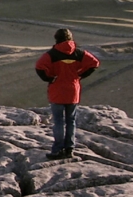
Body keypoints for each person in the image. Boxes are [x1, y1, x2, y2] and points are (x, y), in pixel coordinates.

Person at [35, 28, 100, 159]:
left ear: (56, 39)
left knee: (58, 121)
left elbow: (39, 67)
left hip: (57, 90)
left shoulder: (52, 54)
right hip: (73, 90)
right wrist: (80, 75)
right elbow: (94, 63)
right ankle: (70, 148)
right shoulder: (78, 53)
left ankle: (58, 150)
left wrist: (49, 78)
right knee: (71, 121)